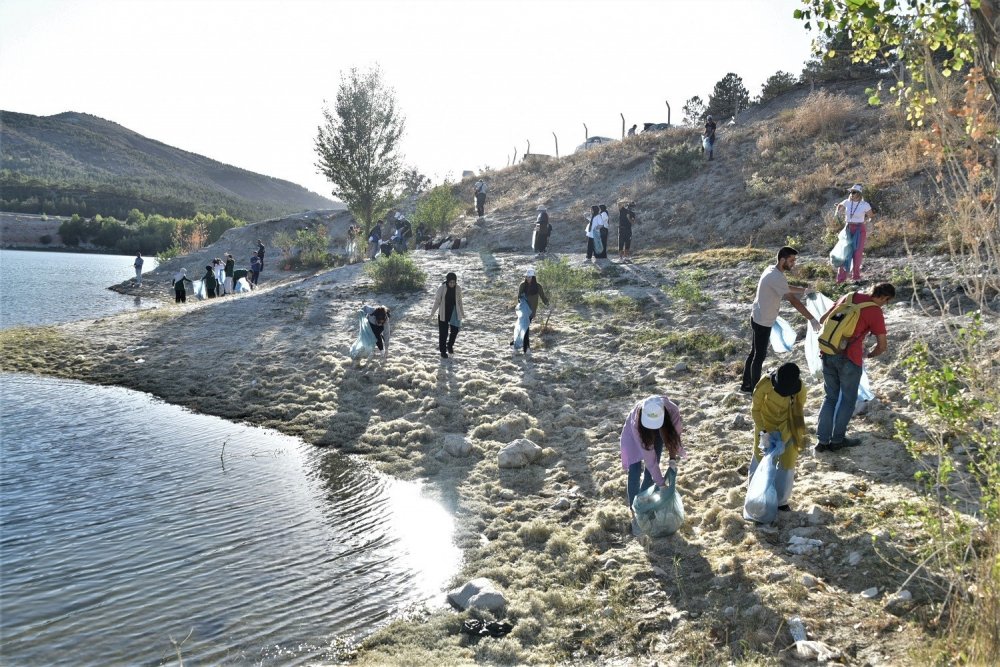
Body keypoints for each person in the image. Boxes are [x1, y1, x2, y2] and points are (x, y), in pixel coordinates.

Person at [816, 283, 895, 451]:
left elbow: (823, 320)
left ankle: (822, 441)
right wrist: (869, 355)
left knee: (830, 397)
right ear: (884, 297)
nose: (884, 304)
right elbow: (882, 345)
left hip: (828, 352)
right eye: (886, 301)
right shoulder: (874, 311)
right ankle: (837, 440)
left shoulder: (849, 296)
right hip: (849, 358)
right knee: (847, 399)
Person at [740, 247, 820, 394]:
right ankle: (754, 390)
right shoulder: (776, 277)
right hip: (763, 321)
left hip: (757, 315)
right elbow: (793, 300)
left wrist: (804, 290)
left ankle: (746, 384)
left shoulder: (772, 270)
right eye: (791, 260)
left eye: (794, 260)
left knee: (754, 352)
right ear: (782, 260)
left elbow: (785, 288)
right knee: (759, 356)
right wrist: (812, 318)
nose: (793, 263)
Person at [749, 362, 808, 513]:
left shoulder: (800, 388)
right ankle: (755, 496)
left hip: (787, 426)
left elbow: (797, 412)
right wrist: (763, 432)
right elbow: (755, 410)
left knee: (788, 462)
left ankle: (781, 501)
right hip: (765, 425)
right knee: (760, 458)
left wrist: (787, 437)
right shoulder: (765, 384)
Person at [619, 394, 685, 515]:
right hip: (636, 432)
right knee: (634, 471)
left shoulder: (672, 411)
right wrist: (662, 485)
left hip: (661, 429)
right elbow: (649, 459)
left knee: (651, 473)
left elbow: (674, 437)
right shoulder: (636, 419)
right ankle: (635, 509)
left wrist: (672, 460)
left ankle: (644, 503)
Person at [834, 184, 875, 284]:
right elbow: (839, 206)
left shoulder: (864, 205)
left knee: (857, 254)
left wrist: (868, 221)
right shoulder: (847, 202)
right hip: (848, 229)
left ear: (859, 194)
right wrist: (837, 212)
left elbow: (871, 216)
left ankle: (856, 277)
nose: (851, 194)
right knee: (845, 253)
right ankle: (841, 279)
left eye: (854, 192)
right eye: (851, 192)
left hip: (859, 230)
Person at [513, 268, 548, 354]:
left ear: (533, 277)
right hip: (524, 311)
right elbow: (519, 298)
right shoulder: (522, 285)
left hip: (532, 312)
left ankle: (515, 345)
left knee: (522, 328)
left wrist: (548, 304)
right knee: (525, 329)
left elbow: (543, 297)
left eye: (529, 277)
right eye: (526, 277)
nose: (527, 278)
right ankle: (526, 348)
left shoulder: (538, 286)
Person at [430, 272, 464, 358]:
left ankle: (449, 345)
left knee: (455, 330)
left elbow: (460, 302)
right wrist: (432, 313)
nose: (452, 284)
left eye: (454, 282)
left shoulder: (458, 288)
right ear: (447, 281)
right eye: (450, 282)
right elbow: (437, 301)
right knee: (443, 333)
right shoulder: (441, 288)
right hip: (443, 312)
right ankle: (443, 351)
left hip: (454, 312)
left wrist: (462, 313)